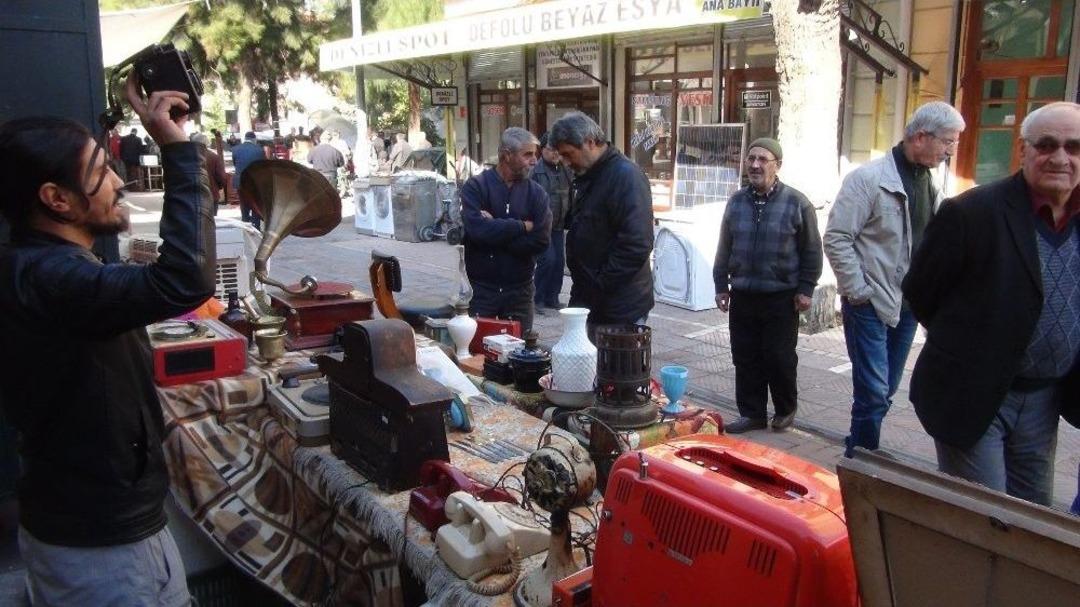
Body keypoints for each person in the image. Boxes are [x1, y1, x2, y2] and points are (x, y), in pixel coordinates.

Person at [0, 72, 215, 606]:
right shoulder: (51, 278)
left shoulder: (46, 267)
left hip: (119, 526)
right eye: (100, 171)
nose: (119, 181)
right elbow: (184, 281)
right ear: (56, 199)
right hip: (97, 548)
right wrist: (178, 152)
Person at [901, 102, 1080, 506]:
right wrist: (971, 345)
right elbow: (922, 292)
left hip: (1045, 398)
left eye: (1074, 147)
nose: (1060, 157)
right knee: (983, 517)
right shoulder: (972, 213)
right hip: (975, 396)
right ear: (1024, 151)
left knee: (1033, 513)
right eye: (1047, 145)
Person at [824, 101, 965, 457]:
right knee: (872, 391)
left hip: (908, 306)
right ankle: (860, 461)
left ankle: (858, 445)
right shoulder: (869, 179)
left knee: (886, 388)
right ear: (920, 137)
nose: (950, 151)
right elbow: (837, 237)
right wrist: (858, 291)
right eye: (947, 142)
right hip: (871, 302)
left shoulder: (929, 182)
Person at [714, 138, 823, 434]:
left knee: (779, 357)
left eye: (763, 159)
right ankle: (752, 414)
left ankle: (785, 409)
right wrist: (720, 284)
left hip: (781, 297)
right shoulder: (736, 202)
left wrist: (806, 288)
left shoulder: (797, 203)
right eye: (751, 159)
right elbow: (725, 246)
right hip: (744, 296)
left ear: (778, 165)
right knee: (745, 356)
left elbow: (812, 250)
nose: (755, 165)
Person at [549, 111, 654, 336]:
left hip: (618, 305)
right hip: (592, 300)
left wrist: (600, 285)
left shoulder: (625, 176)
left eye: (569, 154)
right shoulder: (590, 175)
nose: (566, 163)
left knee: (613, 369)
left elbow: (637, 244)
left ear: (590, 142)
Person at [461, 127, 552, 332]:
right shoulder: (476, 187)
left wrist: (495, 229)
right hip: (482, 291)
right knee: (479, 353)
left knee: (520, 354)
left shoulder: (536, 194)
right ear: (506, 155)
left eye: (535, 154)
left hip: (520, 292)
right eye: (527, 154)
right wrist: (521, 226)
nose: (534, 161)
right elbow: (477, 231)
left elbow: (541, 240)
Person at [530, 132, 573, 313]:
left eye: (558, 150)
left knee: (558, 262)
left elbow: (570, 195)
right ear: (543, 150)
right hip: (541, 225)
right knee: (548, 260)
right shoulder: (536, 172)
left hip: (558, 224)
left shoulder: (564, 170)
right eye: (551, 149)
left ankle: (552, 297)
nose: (555, 153)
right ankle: (537, 298)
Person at [232, 131, 266, 229]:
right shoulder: (259, 150)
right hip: (254, 182)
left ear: (245, 138)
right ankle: (256, 225)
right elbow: (263, 166)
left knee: (243, 203)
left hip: (240, 181)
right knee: (255, 203)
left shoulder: (235, 149)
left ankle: (245, 221)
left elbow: (235, 164)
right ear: (254, 139)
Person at [192, 132, 228, 214]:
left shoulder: (187, 156)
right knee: (212, 220)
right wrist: (219, 187)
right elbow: (221, 177)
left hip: (192, 195)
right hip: (211, 193)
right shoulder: (213, 157)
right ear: (206, 143)